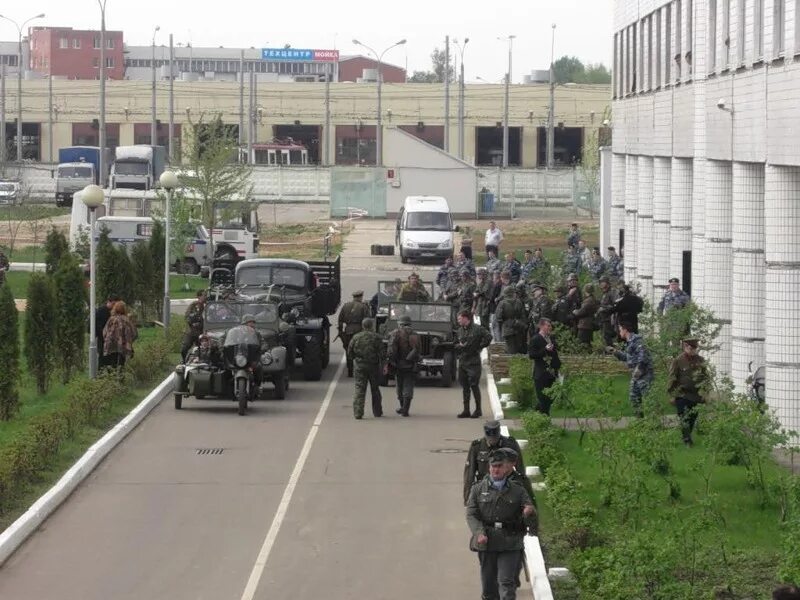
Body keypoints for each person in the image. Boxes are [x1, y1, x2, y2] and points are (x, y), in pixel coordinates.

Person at [466, 447, 537, 600]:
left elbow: (530, 514)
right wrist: (479, 533)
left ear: (506, 468)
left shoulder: (518, 490)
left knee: (506, 582)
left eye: (499, 466)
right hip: (487, 542)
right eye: (493, 466)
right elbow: (471, 514)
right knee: (489, 586)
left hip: (510, 542)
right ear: (489, 467)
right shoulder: (478, 489)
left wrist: (529, 513)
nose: (495, 470)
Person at [463, 420, 527, 504]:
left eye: (494, 438)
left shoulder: (510, 444)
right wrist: (467, 497)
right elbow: (469, 474)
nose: (492, 440)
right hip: (484, 490)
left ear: (499, 433)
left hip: (506, 489)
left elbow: (520, 470)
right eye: (490, 439)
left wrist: (524, 495)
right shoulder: (477, 447)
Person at [667, 338, 710, 446]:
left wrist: (705, 392)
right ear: (685, 347)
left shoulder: (700, 360)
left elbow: (706, 377)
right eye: (689, 348)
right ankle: (687, 440)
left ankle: (687, 435)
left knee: (692, 417)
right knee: (684, 417)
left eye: (694, 348)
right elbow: (672, 377)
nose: (691, 350)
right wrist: (672, 394)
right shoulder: (678, 360)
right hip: (681, 394)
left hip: (695, 395)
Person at [607, 319, 654, 418]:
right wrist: (615, 352)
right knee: (634, 397)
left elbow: (643, 355)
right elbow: (628, 358)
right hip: (636, 376)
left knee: (649, 399)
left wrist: (639, 368)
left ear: (625, 330)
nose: (619, 332)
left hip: (644, 374)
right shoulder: (630, 342)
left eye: (620, 330)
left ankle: (654, 423)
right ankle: (640, 422)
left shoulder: (637, 340)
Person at [456, 310, 493, 418]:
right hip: (463, 361)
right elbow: (456, 343)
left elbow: (489, 337)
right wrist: (459, 347)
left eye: (460, 318)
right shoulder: (459, 330)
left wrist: (479, 346)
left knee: (474, 385)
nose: (458, 321)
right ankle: (466, 410)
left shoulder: (477, 329)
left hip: (473, 361)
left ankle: (478, 410)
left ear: (466, 318)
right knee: (464, 386)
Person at [348, 317, 384, 420]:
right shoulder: (377, 337)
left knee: (359, 389)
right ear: (372, 326)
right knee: (375, 389)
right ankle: (377, 412)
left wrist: (356, 359)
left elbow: (350, 353)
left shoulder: (356, 337)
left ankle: (358, 413)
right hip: (373, 367)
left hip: (360, 366)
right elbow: (382, 353)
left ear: (363, 326)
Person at [386, 314, 420, 417]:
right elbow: (419, 350)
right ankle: (405, 409)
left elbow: (392, 350)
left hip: (398, 365)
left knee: (399, 387)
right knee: (408, 386)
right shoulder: (416, 334)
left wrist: (391, 361)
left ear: (400, 324)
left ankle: (403, 407)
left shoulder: (396, 333)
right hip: (411, 365)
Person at [529, 318, 561, 415]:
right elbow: (532, 355)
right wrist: (545, 350)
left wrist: (558, 365)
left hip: (551, 372)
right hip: (541, 373)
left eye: (550, 326)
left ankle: (537, 412)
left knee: (551, 396)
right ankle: (544, 419)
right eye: (548, 325)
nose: (550, 328)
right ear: (541, 326)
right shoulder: (536, 339)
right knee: (543, 397)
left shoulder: (551, 338)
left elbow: (554, 354)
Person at [338, 290, 371, 377]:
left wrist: (340, 331)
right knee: (361, 351)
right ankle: (360, 371)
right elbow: (368, 320)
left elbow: (340, 320)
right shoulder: (363, 306)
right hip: (360, 330)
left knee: (349, 350)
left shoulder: (346, 306)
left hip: (348, 330)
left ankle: (350, 370)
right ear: (360, 297)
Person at [102, 301, 138, 370]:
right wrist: (129, 341)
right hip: (123, 346)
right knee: (121, 364)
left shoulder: (111, 319)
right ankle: (120, 378)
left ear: (115, 309)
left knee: (112, 363)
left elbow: (104, 332)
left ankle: (112, 377)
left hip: (111, 345)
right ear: (124, 309)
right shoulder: (126, 320)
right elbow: (134, 333)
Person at [495, 286, 527, 355]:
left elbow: (498, 317)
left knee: (510, 350)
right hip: (518, 327)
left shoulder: (502, 303)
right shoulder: (519, 302)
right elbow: (523, 316)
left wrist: (505, 323)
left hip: (507, 328)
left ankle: (512, 364)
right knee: (518, 349)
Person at [181, 290, 207, 363]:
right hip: (191, 331)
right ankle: (183, 361)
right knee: (184, 348)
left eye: (205, 295)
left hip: (202, 331)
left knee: (203, 348)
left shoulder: (208, 305)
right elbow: (187, 316)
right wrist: (192, 321)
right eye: (203, 295)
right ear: (199, 296)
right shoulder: (193, 305)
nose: (205, 297)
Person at [95, 294, 121, 368]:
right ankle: (102, 376)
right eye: (113, 304)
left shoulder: (115, 312)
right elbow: (97, 326)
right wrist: (104, 336)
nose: (114, 306)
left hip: (112, 341)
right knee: (103, 359)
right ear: (108, 302)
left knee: (112, 359)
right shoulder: (101, 311)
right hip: (103, 340)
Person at [573, 283, 599, 348]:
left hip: (584, 325)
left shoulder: (588, 300)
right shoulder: (593, 299)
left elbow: (581, 312)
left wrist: (575, 311)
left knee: (582, 343)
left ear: (586, 291)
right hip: (588, 324)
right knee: (586, 343)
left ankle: (586, 356)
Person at [596, 276, 619, 346]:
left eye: (602, 282)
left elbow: (615, 305)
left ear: (607, 283)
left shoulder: (612, 292)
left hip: (609, 319)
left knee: (608, 336)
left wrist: (604, 308)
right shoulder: (604, 293)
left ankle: (610, 352)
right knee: (605, 337)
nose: (601, 284)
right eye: (600, 282)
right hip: (603, 319)